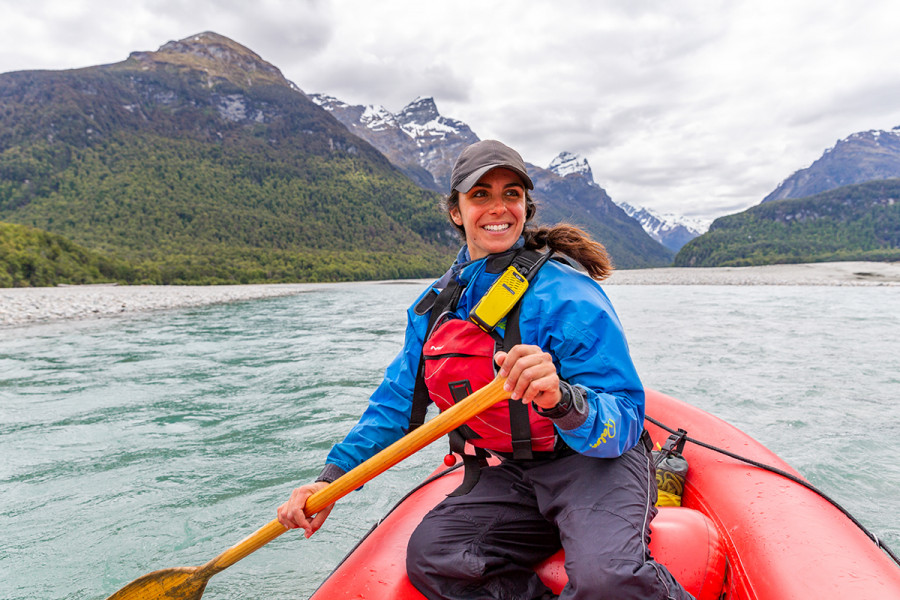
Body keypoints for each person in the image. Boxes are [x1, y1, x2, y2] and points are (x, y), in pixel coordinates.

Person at [278, 140, 693, 600]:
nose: (498, 208)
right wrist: (330, 481)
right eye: (480, 195)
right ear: (456, 211)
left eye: (511, 194)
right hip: (513, 472)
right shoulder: (435, 309)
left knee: (607, 581)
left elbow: (625, 417)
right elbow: (394, 409)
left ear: (525, 206)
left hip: (594, 466)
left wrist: (563, 399)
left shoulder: (568, 294)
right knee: (436, 558)